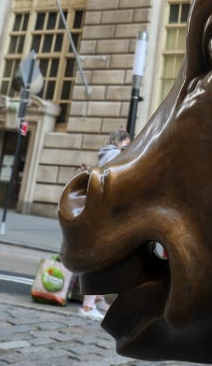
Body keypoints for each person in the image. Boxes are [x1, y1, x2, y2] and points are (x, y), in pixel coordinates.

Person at [80, 129, 131, 319]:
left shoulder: (104, 153)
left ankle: (98, 299)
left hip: (98, 209)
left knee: (103, 256)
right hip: (106, 211)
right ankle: (87, 305)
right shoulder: (116, 155)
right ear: (122, 141)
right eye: (128, 141)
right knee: (101, 257)